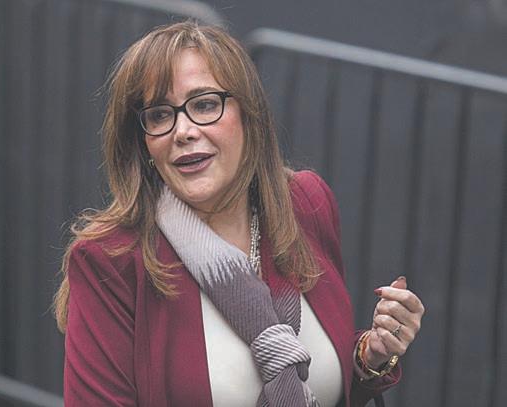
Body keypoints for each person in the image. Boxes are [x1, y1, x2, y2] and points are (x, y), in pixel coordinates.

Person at [53, 21, 425, 407]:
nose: (183, 131)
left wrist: (370, 357)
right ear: (144, 141)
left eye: (204, 105)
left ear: (248, 114)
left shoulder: (305, 204)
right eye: (160, 115)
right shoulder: (110, 260)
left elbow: (319, 383)